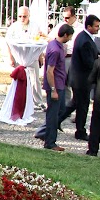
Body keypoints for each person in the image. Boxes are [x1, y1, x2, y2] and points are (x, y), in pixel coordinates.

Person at [35, 23, 72, 151]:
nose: (70, 39)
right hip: (55, 85)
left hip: (60, 84)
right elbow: (50, 71)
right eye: (70, 36)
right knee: (53, 114)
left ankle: (45, 134)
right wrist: (53, 90)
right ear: (66, 35)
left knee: (61, 110)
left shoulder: (55, 45)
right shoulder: (55, 49)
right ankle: (50, 142)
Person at [66, 14, 100, 140]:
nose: (98, 28)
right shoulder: (85, 40)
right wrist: (99, 62)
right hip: (82, 80)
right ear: (89, 26)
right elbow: (88, 62)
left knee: (75, 103)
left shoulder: (85, 37)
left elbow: (92, 55)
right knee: (82, 106)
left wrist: (98, 56)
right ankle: (80, 131)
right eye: (96, 26)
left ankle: (54, 122)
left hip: (78, 78)